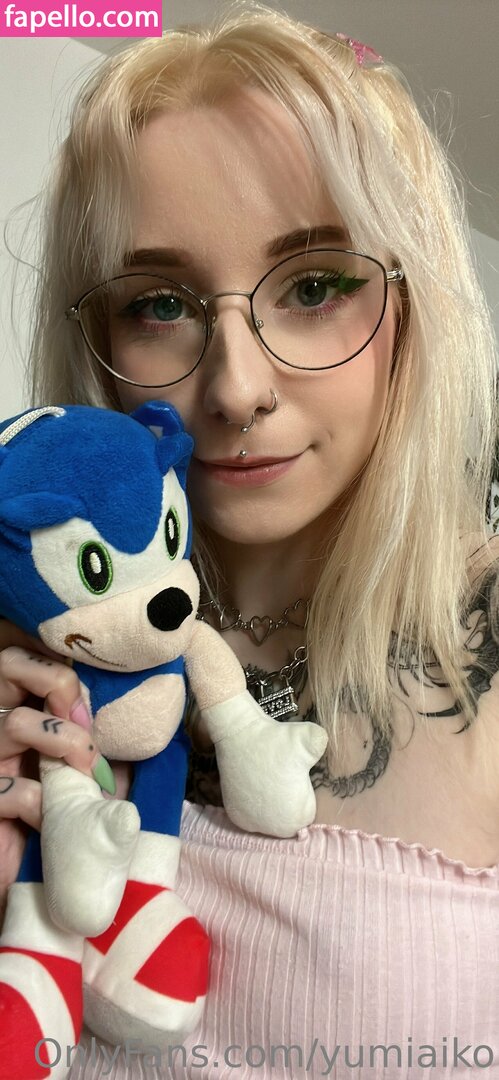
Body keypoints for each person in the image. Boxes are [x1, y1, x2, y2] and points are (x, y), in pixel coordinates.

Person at [1, 2, 499, 1076]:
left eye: (314, 286)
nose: (235, 389)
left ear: (412, 307)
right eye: (159, 304)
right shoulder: (41, 644)